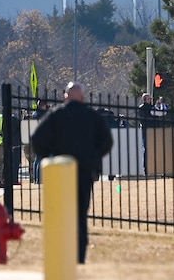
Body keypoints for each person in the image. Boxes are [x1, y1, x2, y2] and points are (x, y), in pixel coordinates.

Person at [26, 82, 113, 263]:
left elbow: (37, 140)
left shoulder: (57, 115)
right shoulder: (92, 116)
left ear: (65, 96)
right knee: (81, 213)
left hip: (61, 170)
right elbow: (107, 141)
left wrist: (49, 157)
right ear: (82, 98)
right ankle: (79, 255)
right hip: (84, 171)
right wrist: (94, 157)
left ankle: (62, 252)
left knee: (63, 213)